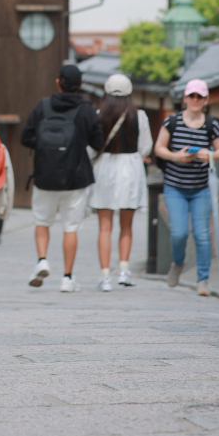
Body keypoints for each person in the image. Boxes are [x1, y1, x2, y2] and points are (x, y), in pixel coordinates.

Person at [20, 61, 103, 292]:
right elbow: (98, 142)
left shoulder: (42, 106)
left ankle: (42, 260)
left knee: (42, 222)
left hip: (45, 176)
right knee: (70, 227)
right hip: (76, 178)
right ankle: (67, 278)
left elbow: (25, 138)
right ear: (81, 84)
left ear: (58, 82)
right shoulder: (86, 110)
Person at [154, 79, 219, 297]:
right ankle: (178, 263)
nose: (195, 100)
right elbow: (159, 148)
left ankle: (202, 280)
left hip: (201, 187)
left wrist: (209, 155)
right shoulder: (172, 121)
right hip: (175, 186)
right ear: (185, 98)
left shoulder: (211, 124)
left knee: (203, 235)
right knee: (179, 232)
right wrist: (176, 156)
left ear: (206, 100)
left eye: (200, 97)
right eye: (192, 96)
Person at [89, 72, 153, 291]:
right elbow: (145, 147)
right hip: (131, 169)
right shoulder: (140, 116)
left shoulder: (98, 115)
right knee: (126, 225)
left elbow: (91, 148)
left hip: (104, 169)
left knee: (104, 227)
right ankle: (124, 271)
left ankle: (105, 276)